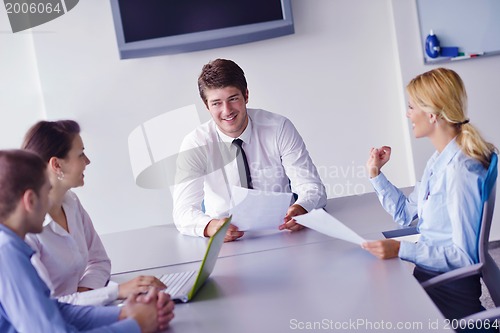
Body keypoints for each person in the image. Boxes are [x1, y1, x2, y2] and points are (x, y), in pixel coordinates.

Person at [362, 67, 497, 321]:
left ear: (432, 114)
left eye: (412, 107)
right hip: (430, 278)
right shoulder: (438, 161)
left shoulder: (461, 170)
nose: (407, 114)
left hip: (446, 290)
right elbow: (406, 214)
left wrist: (401, 249)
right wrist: (375, 174)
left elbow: (465, 258)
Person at [0, 149, 175, 332]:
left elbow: (56, 312)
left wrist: (124, 314)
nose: (50, 201)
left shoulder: (11, 247)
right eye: (47, 191)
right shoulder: (7, 253)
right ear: (30, 200)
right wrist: (135, 325)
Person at [173, 58, 327, 241]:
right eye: (216, 103)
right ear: (206, 106)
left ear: (246, 95)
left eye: (233, 99)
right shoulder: (195, 144)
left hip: (283, 233)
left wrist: (302, 208)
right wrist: (210, 226)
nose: (227, 110)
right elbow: (183, 212)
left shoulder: (279, 128)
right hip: (226, 241)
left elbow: (313, 188)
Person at [21, 120, 166, 306]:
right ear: (57, 165)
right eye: (81, 154)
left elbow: (99, 261)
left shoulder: (71, 202)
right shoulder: (26, 232)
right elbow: (48, 308)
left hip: (85, 314)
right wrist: (116, 292)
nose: (87, 161)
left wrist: (86, 295)